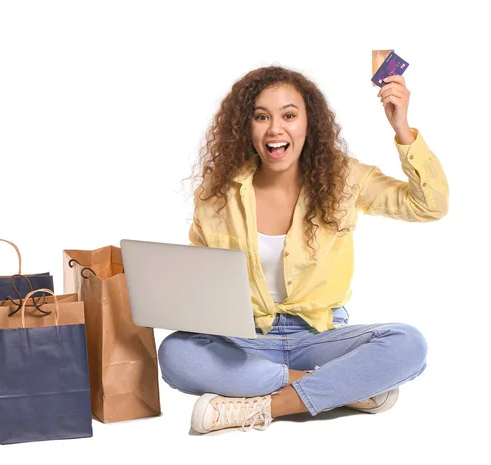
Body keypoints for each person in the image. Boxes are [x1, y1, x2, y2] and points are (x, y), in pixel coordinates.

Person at [157, 65, 449, 434]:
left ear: (309, 123)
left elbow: (430, 206)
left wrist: (402, 129)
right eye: (261, 117)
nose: (275, 129)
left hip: (321, 337)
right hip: (247, 341)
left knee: (408, 343)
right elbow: (202, 282)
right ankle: (341, 388)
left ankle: (264, 407)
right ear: (246, 127)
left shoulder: (346, 179)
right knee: (175, 354)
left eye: (289, 115)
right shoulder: (216, 195)